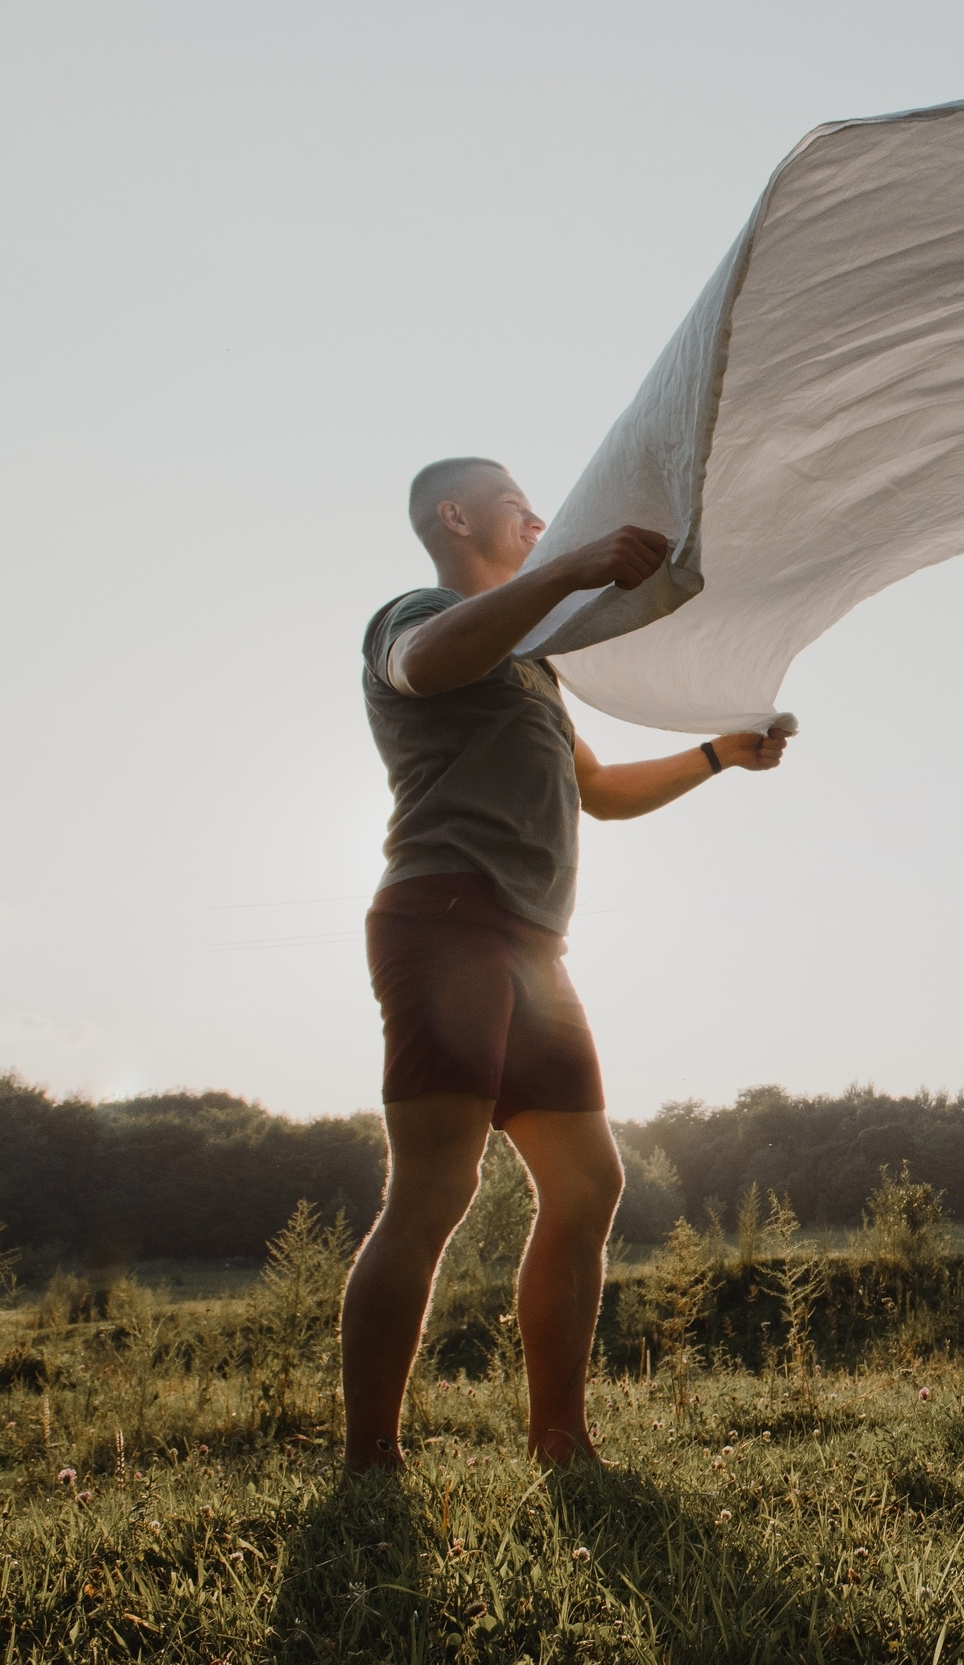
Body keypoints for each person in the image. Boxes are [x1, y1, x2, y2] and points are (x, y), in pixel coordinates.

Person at [342, 457, 790, 1471]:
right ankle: (371, 1456)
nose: (541, 521)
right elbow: (425, 661)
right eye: (519, 507)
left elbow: (599, 790)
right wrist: (570, 568)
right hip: (445, 916)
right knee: (433, 1191)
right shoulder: (414, 614)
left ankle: (561, 1442)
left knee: (588, 1182)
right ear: (456, 518)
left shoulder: (534, 663)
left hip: (536, 946)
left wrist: (720, 753)